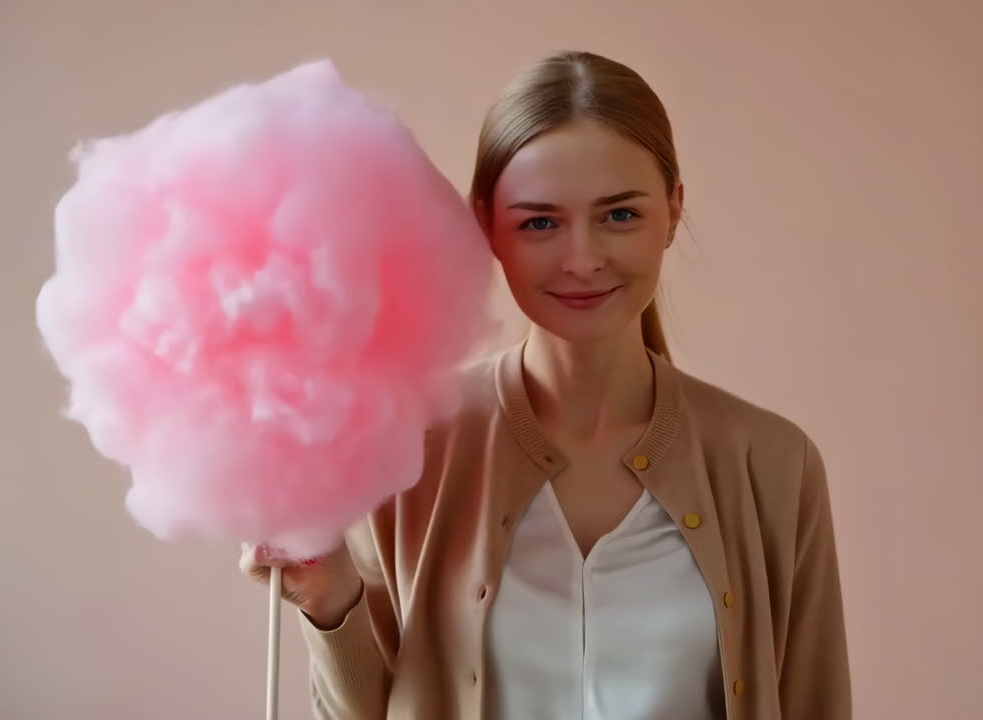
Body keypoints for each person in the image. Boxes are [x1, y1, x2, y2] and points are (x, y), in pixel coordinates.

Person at [242, 49, 850, 720]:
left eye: (620, 215)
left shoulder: (774, 465)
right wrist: (329, 599)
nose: (582, 260)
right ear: (486, 226)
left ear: (674, 209)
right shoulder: (404, 448)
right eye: (539, 222)